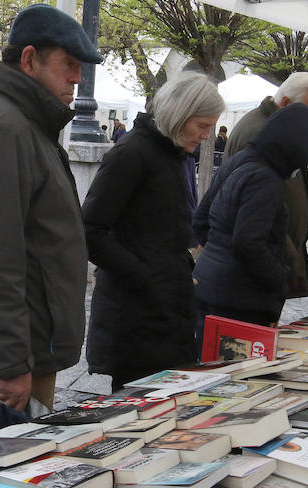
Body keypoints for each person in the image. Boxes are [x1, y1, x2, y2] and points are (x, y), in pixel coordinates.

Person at [0, 3, 102, 411]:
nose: (77, 78)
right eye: (68, 64)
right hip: (18, 350)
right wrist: (11, 362)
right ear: (30, 60)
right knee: (9, 464)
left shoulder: (17, 120)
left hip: (28, 340)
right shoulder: (4, 127)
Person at [82, 72, 224, 391]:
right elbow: (88, 231)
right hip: (136, 320)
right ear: (179, 114)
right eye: (202, 125)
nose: (206, 135)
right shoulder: (131, 153)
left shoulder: (173, 154)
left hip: (165, 313)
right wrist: (145, 278)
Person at [192, 103, 308, 334]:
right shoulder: (265, 179)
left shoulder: (241, 161)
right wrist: (280, 278)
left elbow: (201, 220)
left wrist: (217, 255)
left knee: (208, 361)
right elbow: (248, 244)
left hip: (212, 286)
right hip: (239, 299)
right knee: (231, 367)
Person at [217, 72, 308, 303]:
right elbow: (251, 229)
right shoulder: (260, 135)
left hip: (267, 267)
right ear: (286, 103)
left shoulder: (278, 133)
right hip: (255, 278)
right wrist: (282, 271)